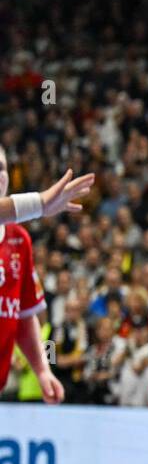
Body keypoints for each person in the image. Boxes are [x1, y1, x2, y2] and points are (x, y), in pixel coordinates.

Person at [0, 151, 93, 404]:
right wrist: (39, 203)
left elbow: (23, 314)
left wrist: (42, 369)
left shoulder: (18, 240)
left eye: (2, 168)